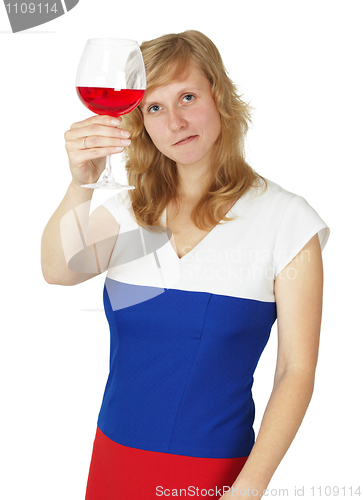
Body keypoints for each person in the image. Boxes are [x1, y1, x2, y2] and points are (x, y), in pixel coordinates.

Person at [41, 30, 330, 499]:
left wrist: (248, 489)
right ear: (141, 121)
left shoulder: (288, 221)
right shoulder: (128, 211)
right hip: (112, 461)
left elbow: (295, 371)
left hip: (215, 476)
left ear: (219, 94)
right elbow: (58, 270)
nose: (174, 121)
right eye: (154, 107)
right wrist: (82, 183)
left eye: (188, 97)